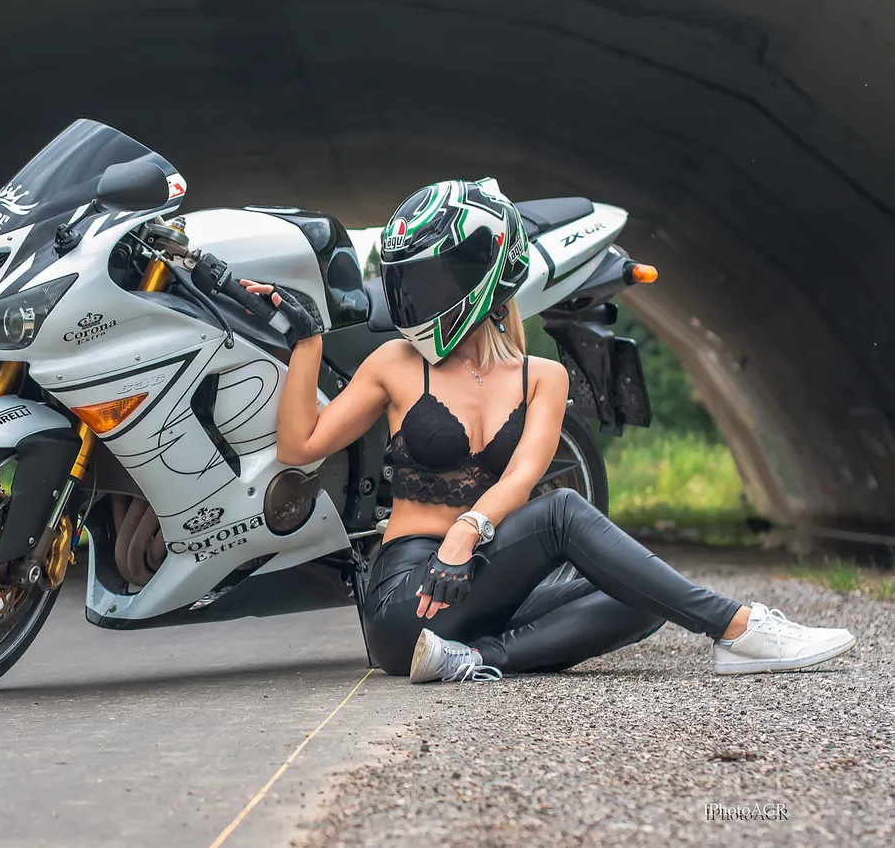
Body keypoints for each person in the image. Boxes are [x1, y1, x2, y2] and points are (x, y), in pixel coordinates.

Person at [235, 178, 857, 683]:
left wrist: (467, 532)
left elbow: (525, 473)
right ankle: (738, 626)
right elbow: (302, 446)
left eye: (428, 281)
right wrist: (308, 339)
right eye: (405, 283)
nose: (412, 300)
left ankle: (481, 660)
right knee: (562, 512)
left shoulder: (544, 376)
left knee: (642, 595)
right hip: (408, 603)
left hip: (473, 586)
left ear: (479, 275)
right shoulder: (396, 364)